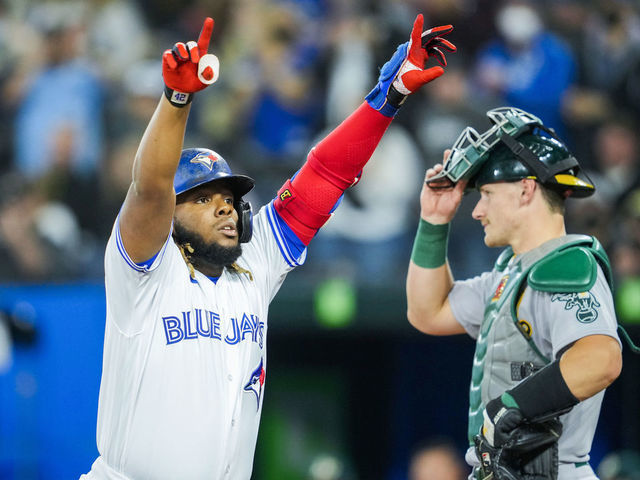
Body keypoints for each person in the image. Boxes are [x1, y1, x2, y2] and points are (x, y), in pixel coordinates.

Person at [81, 14, 456, 480]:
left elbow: (325, 175)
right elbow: (150, 187)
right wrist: (177, 100)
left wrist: (389, 97)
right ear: (169, 217)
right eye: (202, 199)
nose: (224, 209)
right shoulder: (143, 272)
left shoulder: (254, 266)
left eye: (229, 199)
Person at [406, 106, 623, 480]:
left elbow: (601, 358)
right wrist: (434, 221)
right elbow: (428, 312)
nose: (477, 210)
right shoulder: (512, 271)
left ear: (526, 189)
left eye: (487, 193)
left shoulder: (566, 264)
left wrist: (512, 406)